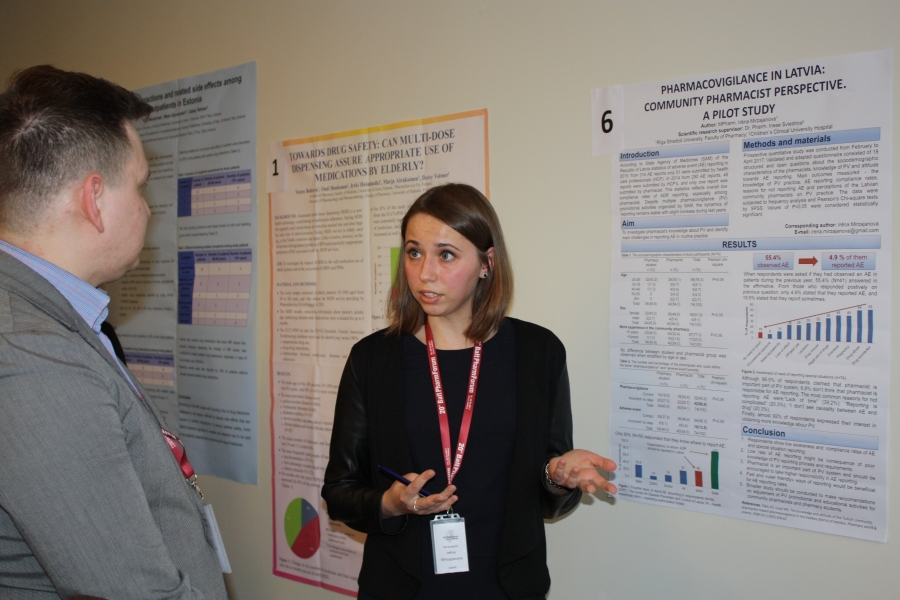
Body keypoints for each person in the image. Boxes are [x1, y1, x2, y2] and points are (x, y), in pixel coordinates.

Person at [322, 183, 617, 600]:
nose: (425, 273)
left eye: (446, 255)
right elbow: (339, 493)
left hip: (508, 586)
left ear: (486, 263)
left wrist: (558, 477)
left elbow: (550, 500)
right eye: (414, 252)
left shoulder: (538, 352)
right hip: (403, 585)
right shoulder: (373, 359)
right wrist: (392, 502)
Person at [0, 66, 227, 599]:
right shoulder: (33, 356)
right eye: (140, 184)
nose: (147, 208)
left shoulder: (52, 319)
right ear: (94, 199)